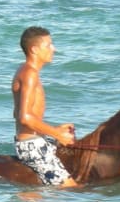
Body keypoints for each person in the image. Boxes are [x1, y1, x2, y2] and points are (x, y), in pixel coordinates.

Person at [12, 26, 79, 187]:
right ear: (34, 49)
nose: (53, 49)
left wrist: (55, 129)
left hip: (36, 139)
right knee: (72, 190)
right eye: (48, 45)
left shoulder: (26, 71)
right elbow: (24, 117)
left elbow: (19, 114)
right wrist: (57, 134)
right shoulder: (29, 74)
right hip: (31, 146)